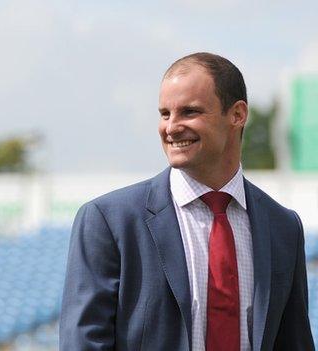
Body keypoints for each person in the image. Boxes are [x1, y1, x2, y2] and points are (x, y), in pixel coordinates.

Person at [59, 52, 314, 350]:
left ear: (237, 114)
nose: (171, 127)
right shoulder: (109, 220)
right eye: (165, 113)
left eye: (189, 112)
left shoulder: (283, 227)